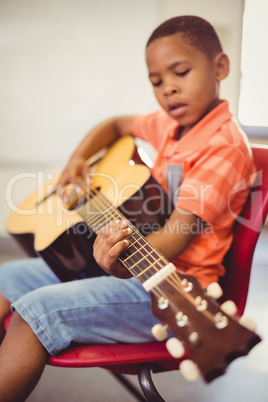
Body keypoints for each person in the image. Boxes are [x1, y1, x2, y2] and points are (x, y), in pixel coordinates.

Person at [0, 15, 255, 401]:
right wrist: (78, 160)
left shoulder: (222, 148)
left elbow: (175, 235)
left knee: (33, 313)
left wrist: (118, 264)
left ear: (220, 67)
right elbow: (117, 124)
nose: (169, 88)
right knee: (7, 278)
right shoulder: (171, 124)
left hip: (168, 287)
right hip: (133, 258)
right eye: (156, 81)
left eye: (181, 72)